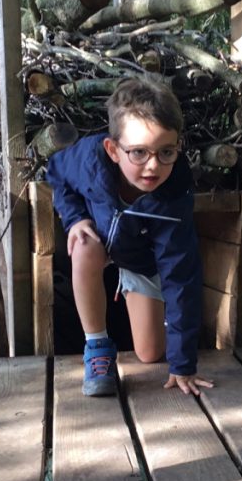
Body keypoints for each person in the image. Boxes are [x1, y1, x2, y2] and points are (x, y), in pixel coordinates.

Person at [45, 76, 214, 397]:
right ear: (113, 150)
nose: (153, 166)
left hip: (140, 257)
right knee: (83, 246)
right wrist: (75, 218)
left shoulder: (174, 197)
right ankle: (97, 348)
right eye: (138, 152)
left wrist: (182, 365)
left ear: (178, 147)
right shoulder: (89, 160)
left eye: (166, 152)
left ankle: (135, 298)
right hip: (99, 239)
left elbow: (180, 278)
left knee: (150, 354)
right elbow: (56, 172)